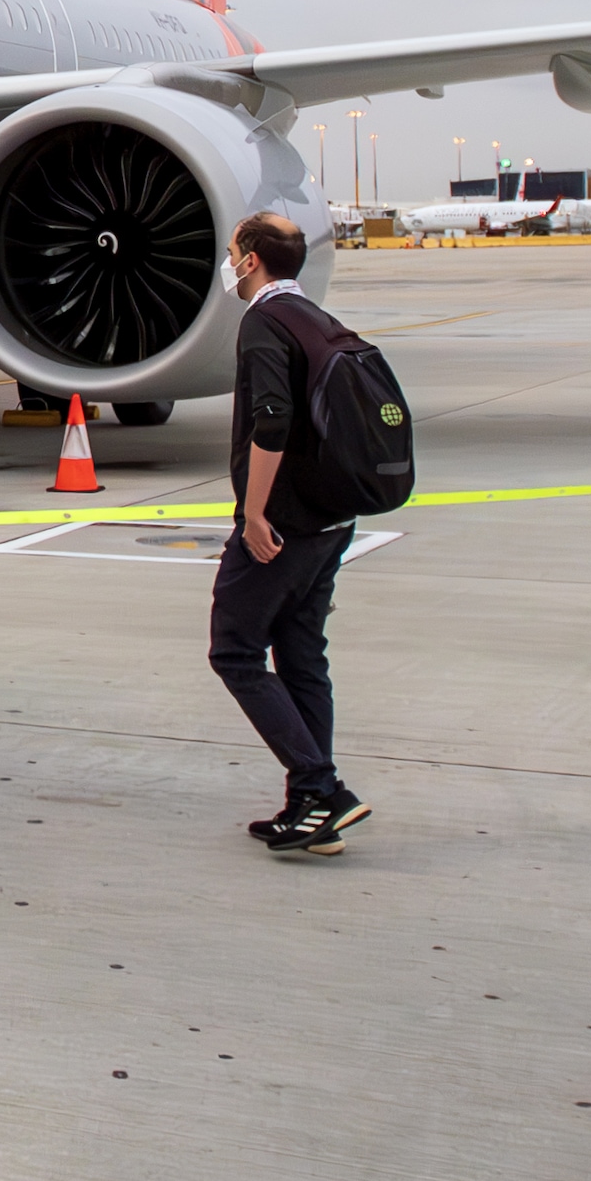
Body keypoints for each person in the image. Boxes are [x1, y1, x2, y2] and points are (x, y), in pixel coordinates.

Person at [217, 209, 371, 855]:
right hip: (333, 518)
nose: (227, 262)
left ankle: (320, 785)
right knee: (303, 653)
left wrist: (254, 513)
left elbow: (272, 420)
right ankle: (310, 809)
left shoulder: (263, 322)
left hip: (285, 522)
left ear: (251, 259)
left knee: (234, 650)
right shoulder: (318, 317)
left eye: (232, 251)